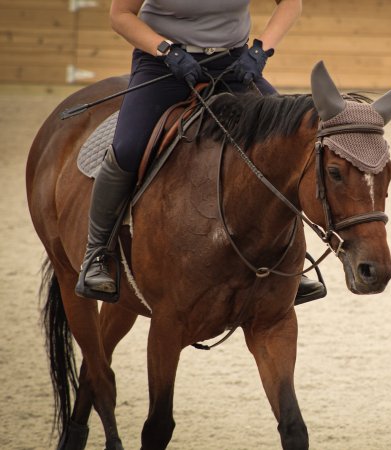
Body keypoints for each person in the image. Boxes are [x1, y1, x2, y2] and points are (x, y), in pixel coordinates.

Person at [75, 0, 326, 304]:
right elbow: (120, 15)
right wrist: (166, 50)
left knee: (285, 144)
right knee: (128, 149)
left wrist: (260, 51)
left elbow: (291, 4)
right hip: (164, 65)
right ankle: (98, 254)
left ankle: (289, 259)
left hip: (234, 66)